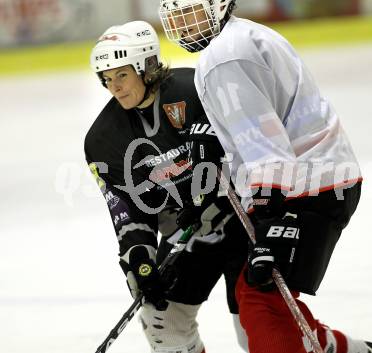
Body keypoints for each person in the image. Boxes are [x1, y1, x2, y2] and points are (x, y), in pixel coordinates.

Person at [158, 2, 372, 353]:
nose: (181, 22)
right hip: (314, 179)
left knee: (260, 299)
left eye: (190, 10)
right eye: (175, 14)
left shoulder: (225, 56)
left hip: (306, 188)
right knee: (262, 294)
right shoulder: (243, 37)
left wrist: (270, 207)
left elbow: (261, 138)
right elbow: (252, 133)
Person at [85, 20, 249, 353]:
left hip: (244, 220)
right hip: (188, 230)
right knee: (162, 323)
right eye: (106, 78)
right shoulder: (103, 140)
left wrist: (223, 194)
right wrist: (139, 260)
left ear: (146, 66)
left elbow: (252, 151)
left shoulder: (197, 90)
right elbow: (127, 208)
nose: (113, 87)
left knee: (257, 328)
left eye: (121, 74)